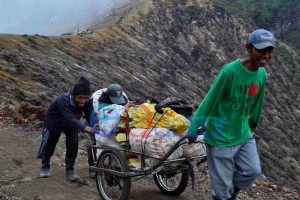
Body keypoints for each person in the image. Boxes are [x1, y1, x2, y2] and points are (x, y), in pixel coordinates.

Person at [188, 29, 276, 200]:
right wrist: (193, 129)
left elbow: (258, 100)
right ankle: (224, 195)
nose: (265, 55)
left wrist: (253, 123)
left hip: (242, 133)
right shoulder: (230, 71)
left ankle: (231, 192)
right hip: (220, 136)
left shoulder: (261, 73)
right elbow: (210, 100)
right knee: (222, 193)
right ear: (249, 48)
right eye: (261, 50)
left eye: (269, 51)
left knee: (252, 171)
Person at [38, 76, 94, 182]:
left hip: (72, 124)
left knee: (73, 145)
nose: (83, 101)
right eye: (80, 98)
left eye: (86, 98)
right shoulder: (63, 100)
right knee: (50, 144)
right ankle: (45, 165)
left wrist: (95, 125)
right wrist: (86, 128)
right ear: (73, 95)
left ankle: (70, 170)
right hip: (55, 122)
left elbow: (90, 114)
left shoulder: (86, 101)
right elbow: (68, 117)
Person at [86, 83, 129, 178]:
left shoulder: (124, 97)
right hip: (96, 116)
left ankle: (116, 166)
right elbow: (95, 117)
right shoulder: (97, 99)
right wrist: (96, 128)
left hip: (115, 117)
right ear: (108, 96)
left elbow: (126, 111)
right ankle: (93, 166)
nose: (117, 102)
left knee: (119, 140)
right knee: (95, 140)